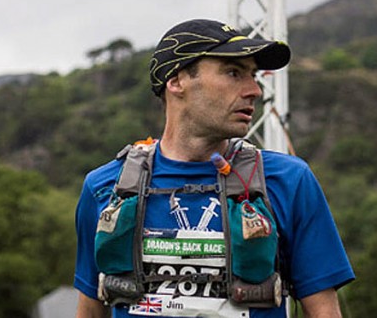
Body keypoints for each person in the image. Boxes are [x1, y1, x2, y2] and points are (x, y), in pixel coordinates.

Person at [74, 19, 354, 318]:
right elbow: (90, 310)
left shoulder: (288, 181)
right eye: (233, 73)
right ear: (177, 81)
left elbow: (324, 312)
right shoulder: (105, 188)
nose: (254, 90)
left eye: (253, 75)